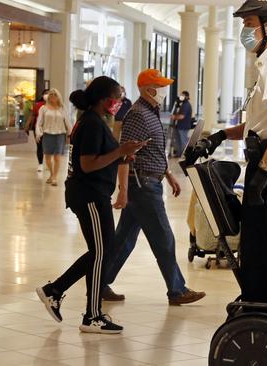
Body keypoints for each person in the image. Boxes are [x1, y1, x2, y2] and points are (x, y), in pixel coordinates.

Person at [195, 0, 267, 304]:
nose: (244, 31)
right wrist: (222, 134)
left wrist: (263, 171)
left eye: (249, 24)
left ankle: (265, 310)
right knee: (259, 246)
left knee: (263, 248)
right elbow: (263, 123)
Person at [36, 76, 147, 334]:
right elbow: (88, 164)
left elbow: (100, 157)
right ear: (103, 99)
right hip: (88, 195)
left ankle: (55, 291)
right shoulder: (92, 123)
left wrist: (122, 152)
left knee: (101, 251)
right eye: (116, 98)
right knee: (100, 252)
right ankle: (92, 315)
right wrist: (120, 152)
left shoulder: (95, 121)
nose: (119, 102)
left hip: (93, 193)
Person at [101, 69, 206, 305]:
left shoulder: (150, 112)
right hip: (142, 186)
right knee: (164, 238)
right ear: (149, 90)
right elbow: (126, 154)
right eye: (160, 86)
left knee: (124, 238)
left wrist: (168, 173)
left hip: (149, 181)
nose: (164, 91)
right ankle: (177, 291)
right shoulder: (138, 114)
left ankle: (100, 282)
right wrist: (124, 190)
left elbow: (151, 150)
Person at [36, 88, 72, 186]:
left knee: (57, 157)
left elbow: (67, 122)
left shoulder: (62, 108)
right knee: (47, 157)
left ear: (58, 96)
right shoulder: (43, 108)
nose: (52, 96)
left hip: (60, 135)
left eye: (55, 94)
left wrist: (70, 133)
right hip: (47, 134)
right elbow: (39, 122)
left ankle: (55, 177)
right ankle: (51, 174)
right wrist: (38, 133)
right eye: (51, 94)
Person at [25, 89, 49, 171]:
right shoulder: (38, 105)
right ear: (42, 95)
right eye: (45, 93)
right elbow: (32, 116)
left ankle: (49, 163)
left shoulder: (55, 105)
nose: (47, 95)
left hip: (50, 129)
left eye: (49, 93)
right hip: (38, 128)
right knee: (39, 146)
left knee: (50, 147)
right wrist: (27, 126)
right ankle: (40, 164)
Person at [170, 90, 193, 157]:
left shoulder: (186, 105)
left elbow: (182, 116)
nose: (181, 96)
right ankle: (179, 154)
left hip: (183, 126)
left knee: (183, 141)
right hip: (179, 126)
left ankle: (186, 155)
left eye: (183, 95)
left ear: (187, 96)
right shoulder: (182, 104)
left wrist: (174, 117)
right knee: (178, 141)